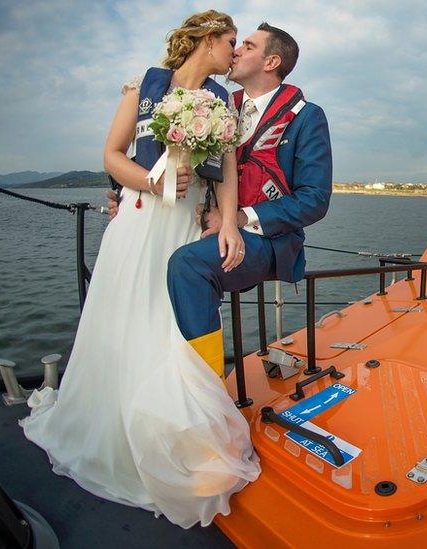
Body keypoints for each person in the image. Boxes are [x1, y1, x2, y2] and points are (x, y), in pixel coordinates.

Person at [20, 11, 260, 529]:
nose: (234, 52)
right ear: (206, 40)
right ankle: (115, 429)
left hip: (184, 226)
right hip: (140, 216)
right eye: (230, 42)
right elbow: (111, 154)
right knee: (127, 318)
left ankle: (176, 433)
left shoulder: (222, 104)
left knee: (169, 324)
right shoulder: (144, 85)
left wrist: (229, 227)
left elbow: (227, 170)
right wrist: (152, 183)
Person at [140, 22, 333, 378]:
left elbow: (316, 199)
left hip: (267, 241)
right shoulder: (217, 104)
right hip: (203, 220)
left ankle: (205, 388)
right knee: (148, 263)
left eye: (247, 45)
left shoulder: (307, 116)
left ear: (271, 61)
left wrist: (240, 219)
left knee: (189, 266)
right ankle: (156, 378)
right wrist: (133, 192)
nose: (237, 50)